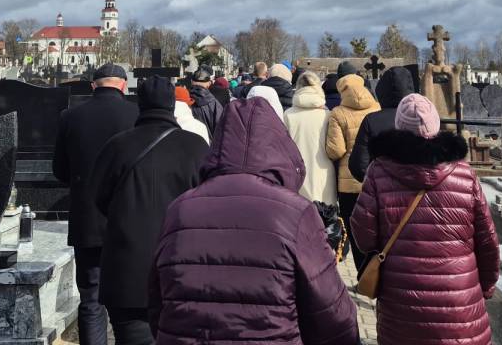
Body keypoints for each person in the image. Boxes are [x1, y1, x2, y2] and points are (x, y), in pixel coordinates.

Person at [149, 97, 359, 345]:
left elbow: (157, 299)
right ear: (280, 146)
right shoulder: (296, 213)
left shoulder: (180, 208)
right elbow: (331, 309)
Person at [351, 94, 499, 345]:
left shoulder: (379, 171)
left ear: (399, 126)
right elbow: (487, 241)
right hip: (459, 300)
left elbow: (364, 238)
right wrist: (485, 286)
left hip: (402, 299)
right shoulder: (464, 174)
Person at [91, 76, 209, 345]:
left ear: (139, 104)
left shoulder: (117, 146)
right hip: (180, 267)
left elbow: (99, 197)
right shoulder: (195, 147)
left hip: (126, 268)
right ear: (172, 105)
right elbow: (207, 203)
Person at [52, 63, 139, 345]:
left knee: (91, 298)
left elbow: (60, 170)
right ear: (123, 85)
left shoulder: (70, 116)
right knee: (130, 299)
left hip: (87, 219)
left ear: (93, 86)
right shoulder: (137, 114)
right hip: (129, 220)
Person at [324, 72, 379, 268]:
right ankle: (375, 270)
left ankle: (361, 272)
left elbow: (336, 150)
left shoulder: (338, 113)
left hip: (348, 182)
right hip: (373, 178)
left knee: (353, 229)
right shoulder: (376, 108)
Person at [349, 65, 416, 184]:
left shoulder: (372, 120)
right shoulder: (422, 117)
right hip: (417, 189)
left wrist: (378, 182)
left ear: (382, 90)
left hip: (381, 190)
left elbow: (359, 166)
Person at [284, 71, 337, 204]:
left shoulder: (288, 115)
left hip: (297, 175)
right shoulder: (327, 115)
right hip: (324, 175)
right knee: (325, 214)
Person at [188, 69, 224, 138]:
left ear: (191, 82)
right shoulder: (214, 104)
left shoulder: (182, 101)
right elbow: (220, 129)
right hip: (208, 142)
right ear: (209, 83)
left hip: (184, 142)